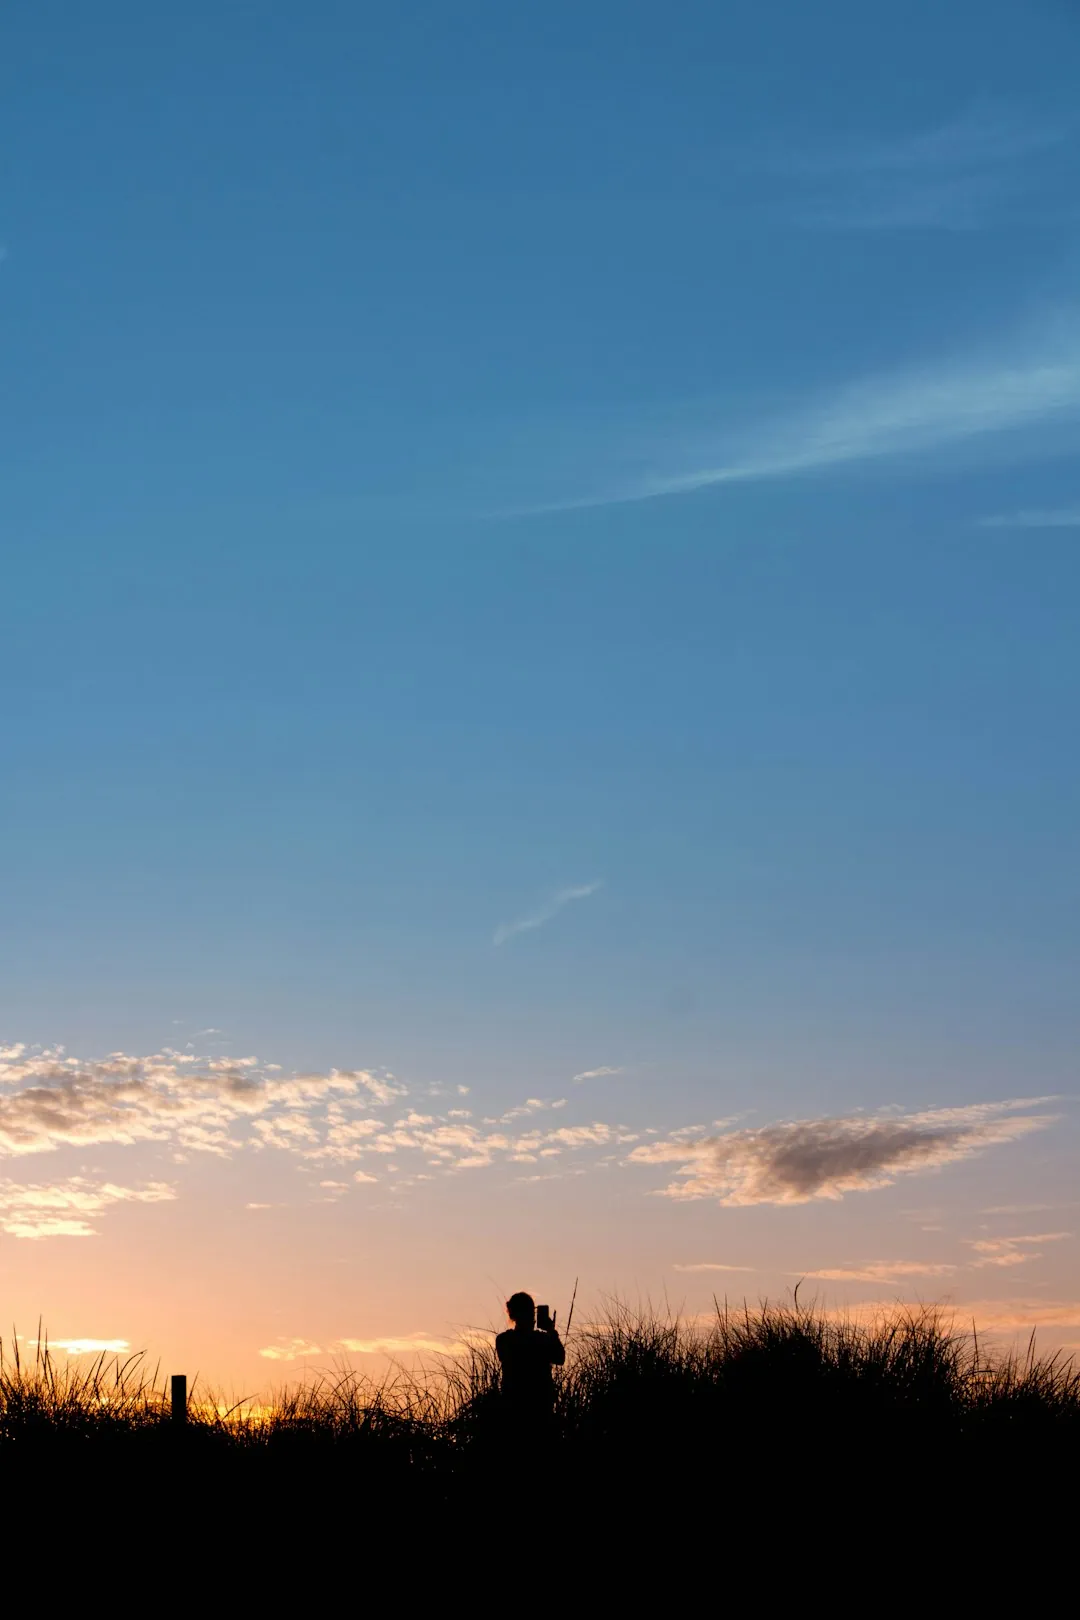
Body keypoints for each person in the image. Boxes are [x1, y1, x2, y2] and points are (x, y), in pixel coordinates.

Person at [495, 1291, 565, 1429]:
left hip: (513, 1407)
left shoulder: (503, 1339)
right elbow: (560, 1358)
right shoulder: (542, 1339)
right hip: (540, 1408)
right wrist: (551, 1331)